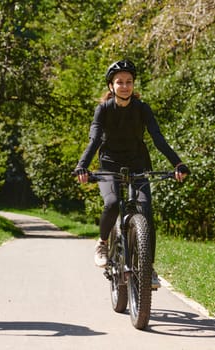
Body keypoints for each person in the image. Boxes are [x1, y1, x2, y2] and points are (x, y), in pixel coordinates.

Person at [74, 59, 189, 289]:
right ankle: (103, 243)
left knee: (145, 209)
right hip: (109, 165)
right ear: (111, 86)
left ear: (133, 85)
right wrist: (82, 166)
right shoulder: (103, 110)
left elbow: (158, 138)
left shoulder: (142, 109)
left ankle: (148, 268)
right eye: (119, 82)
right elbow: (95, 140)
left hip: (137, 164)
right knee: (113, 202)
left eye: (129, 82)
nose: (125, 86)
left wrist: (178, 164)